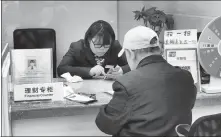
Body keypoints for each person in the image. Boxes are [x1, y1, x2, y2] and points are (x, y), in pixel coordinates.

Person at [95, 26, 197, 136]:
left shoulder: (127, 83)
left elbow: (106, 125)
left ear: (131, 53)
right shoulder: (186, 77)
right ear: (158, 50)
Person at [57, 20, 130, 79]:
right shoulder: (77, 47)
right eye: (98, 45)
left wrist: (121, 70)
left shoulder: (115, 46)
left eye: (106, 45)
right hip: (83, 89)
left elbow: (133, 65)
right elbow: (61, 69)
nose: (102, 49)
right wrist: (89, 71)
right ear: (89, 40)